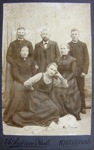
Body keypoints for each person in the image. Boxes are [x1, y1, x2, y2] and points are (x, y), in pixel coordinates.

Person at [9, 62, 68, 127]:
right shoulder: (40, 75)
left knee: (54, 109)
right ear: (47, 68)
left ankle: (41, 119)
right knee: (39, 111)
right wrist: (31, 88)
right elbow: (26, 83)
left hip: (45, 99)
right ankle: (19, 117)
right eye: (51, 69)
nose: (52, 71)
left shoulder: (53, 80)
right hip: (35, 98)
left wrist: (60, 76)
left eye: (54, 71)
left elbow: (65, 86)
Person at [4, 46, 36, 125]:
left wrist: (31, 81)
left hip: (29, 80)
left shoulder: (31, 61)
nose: (25, 52)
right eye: (23, 51)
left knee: (35, 91)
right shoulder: (16, 61)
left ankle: (29, 115)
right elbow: (15, 74)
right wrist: (24, 82)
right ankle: (12, 114)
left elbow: (34, 72)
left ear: (28, 53)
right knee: (19, 91)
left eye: (26, 51)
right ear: (20, 52)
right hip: (19, 81)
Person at [51, 43, 81, 120]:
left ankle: (71, 112)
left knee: (66, 92)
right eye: (61, 48)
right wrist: (57, 78)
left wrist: (66, 80)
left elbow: (73, 72)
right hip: (59, 77)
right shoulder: (57, 59)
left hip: (69, 79)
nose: (62, 50)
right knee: (55, 91)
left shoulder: (72, 59)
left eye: (64, 48)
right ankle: (60, 112)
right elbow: (55, 70)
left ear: (68, 49)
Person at [68, 28, 89, 114]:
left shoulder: (83, 45)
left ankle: (83, 107)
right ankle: (72, 108)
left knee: (81, 90)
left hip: (80, 72)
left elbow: (86, 59)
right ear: (70, 35)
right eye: (72, 34)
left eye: (75, 34)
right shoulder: (68, 45)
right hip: (72, 71)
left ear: (78, 35)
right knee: (71, 89)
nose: (74, 36)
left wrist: (84, 71)